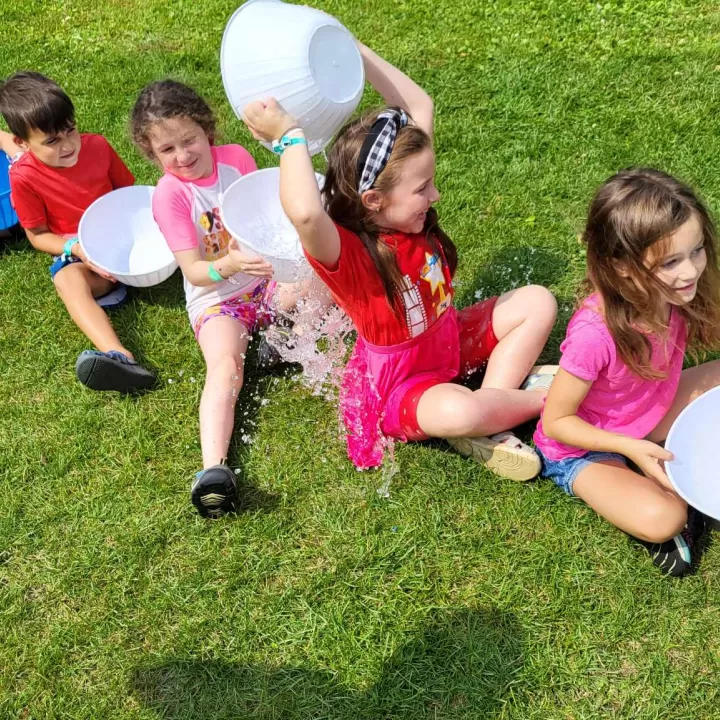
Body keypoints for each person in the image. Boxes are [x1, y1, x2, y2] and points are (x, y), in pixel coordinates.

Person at [242, 42, 558, 480]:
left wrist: (348, 49)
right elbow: (305, 212)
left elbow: (418, 104)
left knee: (537, 301)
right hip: (405, 385)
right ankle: (549, 402)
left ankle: (495, 405)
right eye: (424, 188)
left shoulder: (406, 208)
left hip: (449, 340)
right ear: (374, 200)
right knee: (457, 412)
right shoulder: (350, 255)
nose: (436, 196)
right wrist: (290, 136)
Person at [131, 80, 330, 518]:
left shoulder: (235, 159)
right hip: (217, 298)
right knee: (225, 368)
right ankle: (213, 471)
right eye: (167, 150)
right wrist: (234, 263)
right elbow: (195, 271)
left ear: (207, 131)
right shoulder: (172, 196)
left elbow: (264, 210)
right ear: (152, 154)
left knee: (327, 272)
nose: (182, 156)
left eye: (189, 140)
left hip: (263, 281)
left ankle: (282, 340)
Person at [535, 168, 720, 576]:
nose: (690, 271)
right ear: (621, 265)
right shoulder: (595, 333)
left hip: (651, 408)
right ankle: (670, 509)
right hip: (584, 446)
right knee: (664, 517)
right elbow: (557, 421)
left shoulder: (675, 292)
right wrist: (631, 449)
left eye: (697, 250)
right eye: (671, 261)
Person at [0, 71, 155, 392]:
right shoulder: (24, 177)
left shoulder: (97, 146)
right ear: (21, 143)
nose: (69, 145)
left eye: (70, 130)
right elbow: (38, 236)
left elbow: (132, 197)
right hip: (87, 259)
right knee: (66, 280)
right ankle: (119, 356)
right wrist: (77, 248)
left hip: (135, 244)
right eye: (52, 141)